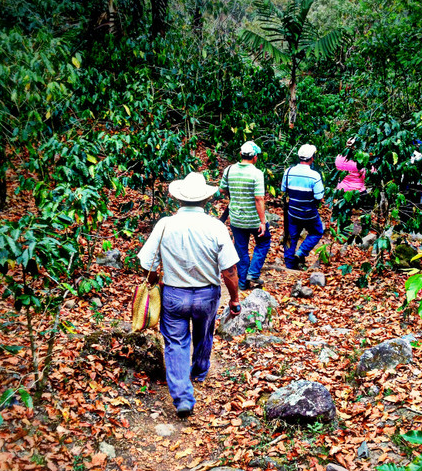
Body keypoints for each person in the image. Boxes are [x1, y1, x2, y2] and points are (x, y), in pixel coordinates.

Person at [138, 172, 241, 419]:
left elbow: (146, 263)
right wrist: (235, 298)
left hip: (174, 293)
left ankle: (183, 396)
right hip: (206, 294)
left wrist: (153, 283)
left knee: (175, 342)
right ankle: (200, 370)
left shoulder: (165, 224)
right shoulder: (216, 227)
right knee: (204, 332)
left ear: (178, 199)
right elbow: (230, 270)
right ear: (206, 200)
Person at [219, 140, 270, 290]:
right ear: (255, 157)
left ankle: (242, 282)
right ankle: (253, 273)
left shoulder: (229, 170)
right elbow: (259, 198)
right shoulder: (257, 173)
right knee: (264, 242)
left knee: (241, 248)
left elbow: (222, 190)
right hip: (254, 219)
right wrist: (262, 222)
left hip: (236, 218)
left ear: (240, 154)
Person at [281, 144, 325, 270]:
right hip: (309, 212)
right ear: (312, 158)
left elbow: (283, 189)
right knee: (317, 231)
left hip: (293, 211)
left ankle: (290, 266)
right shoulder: (315, 175)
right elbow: (318, 196)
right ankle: (301, 253)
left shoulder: (288, 171)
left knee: (291, 237)